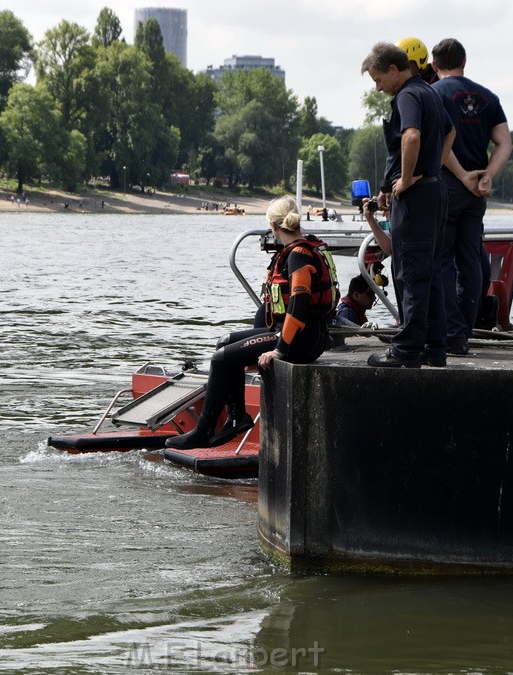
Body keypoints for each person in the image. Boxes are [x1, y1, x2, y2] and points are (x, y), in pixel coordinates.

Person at [164, 195, 336, 449]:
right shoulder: (301, 249)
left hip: (302, 340)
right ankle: (237, 416)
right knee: (225, 343)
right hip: (296, 335)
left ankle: (203, 431)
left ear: (274, 228)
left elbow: (298, 309)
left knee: (221, 358)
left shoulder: (299, 256)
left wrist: (279, 350)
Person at [361, 42, 455, 369]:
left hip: (416, 198)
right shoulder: (430, 92)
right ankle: (435, 347)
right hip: (435, 193)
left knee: (410, 273)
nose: (377, 87)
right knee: (428, 274)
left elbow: (411, 136)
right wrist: (432, 170)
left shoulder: (407, 96)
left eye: (377, 79)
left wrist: (407, 177)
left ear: (393, 70)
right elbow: (450, 132)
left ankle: (406, 349)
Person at [430, 37, 513, 354]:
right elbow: (505, 142)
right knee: (471, 263)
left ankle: (450, 333)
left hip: (449, 185)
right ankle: (464, 332)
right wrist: (487, 174)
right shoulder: (487, 96)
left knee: (443, 262)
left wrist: (462, 173)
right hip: (478, 189)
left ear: (435, 66)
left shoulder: (434, 93)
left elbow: (439, 140)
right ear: (464, 62)